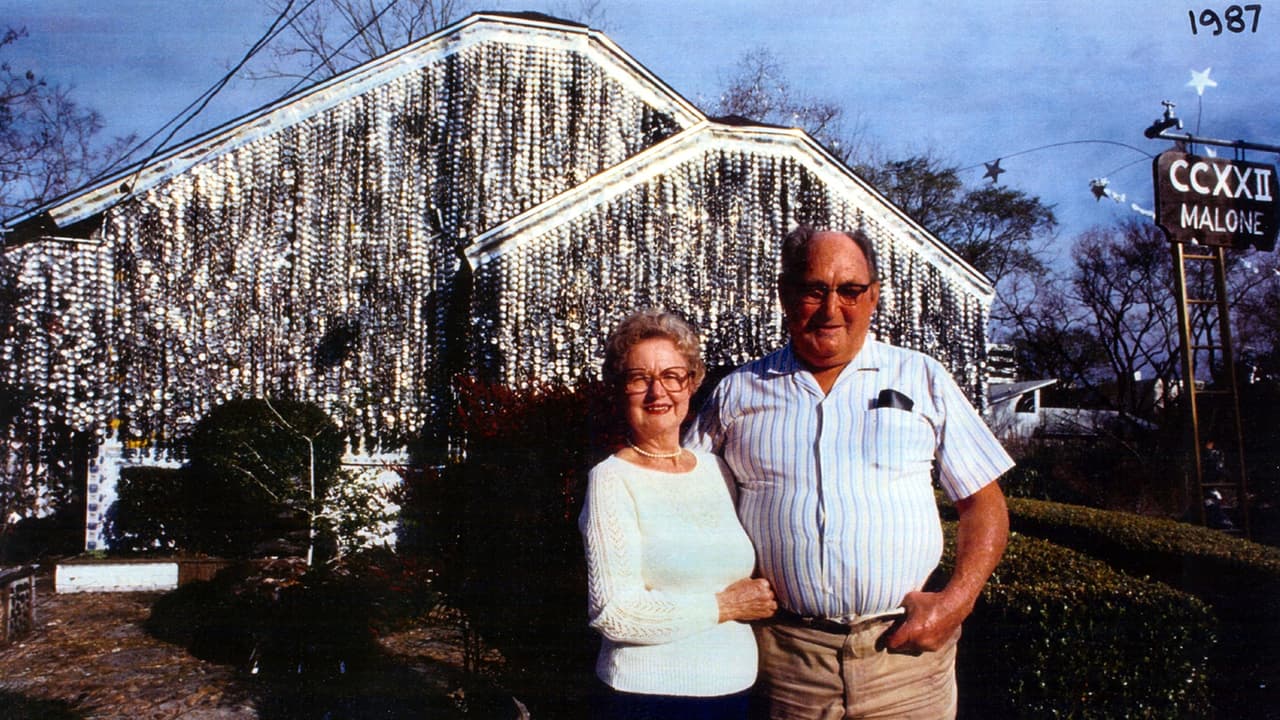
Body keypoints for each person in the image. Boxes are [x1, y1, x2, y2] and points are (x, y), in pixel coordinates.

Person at [686, 226, 1014, 719]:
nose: (831, 308)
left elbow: (983, 503)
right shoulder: (738, 393)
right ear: (785, 295)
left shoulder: (921, 377)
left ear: (873, 296)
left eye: (850, 291)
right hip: (787, 665)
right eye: (814, 289)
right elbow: (683, 496)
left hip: (905, 662)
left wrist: (956, 602)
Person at [579, 309, 777, 720]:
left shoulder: (716, 469)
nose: (658, 393)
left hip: (735, 690)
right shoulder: (611, 480)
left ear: (691, 383)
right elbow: (614, 613)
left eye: (672, 375)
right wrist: (724, 606)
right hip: (649, 698)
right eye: (639, 379)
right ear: (620, 390)